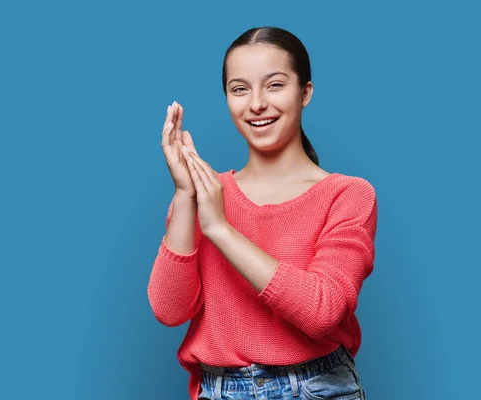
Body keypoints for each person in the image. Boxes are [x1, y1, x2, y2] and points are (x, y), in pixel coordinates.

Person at [147, 26, 377, 400]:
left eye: (274, 85)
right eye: (240, 89)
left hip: (319, 388)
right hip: (221, 389)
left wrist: (221, 229)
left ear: (305, 92)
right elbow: (169, 309)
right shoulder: (202, 194)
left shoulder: (348, 195)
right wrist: (185, 194)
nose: (256, 103)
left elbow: (322, 311)